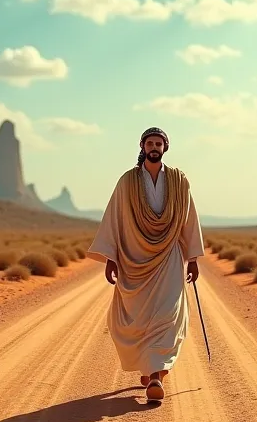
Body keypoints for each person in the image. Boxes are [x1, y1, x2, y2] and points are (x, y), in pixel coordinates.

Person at [86, 126, 205, 402]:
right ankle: (151, 364)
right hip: (134, 258)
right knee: (136, 317)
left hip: (170, 258)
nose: (154, 147)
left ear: (165, 148)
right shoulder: (127, 182)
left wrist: (194, 259)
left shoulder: (178, 180)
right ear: (142, 146)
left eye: (159, 143)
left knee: (167, 316)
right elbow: (114, 219)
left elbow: (189, 218)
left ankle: (154, 376)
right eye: (150, 142)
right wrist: (110, 258)